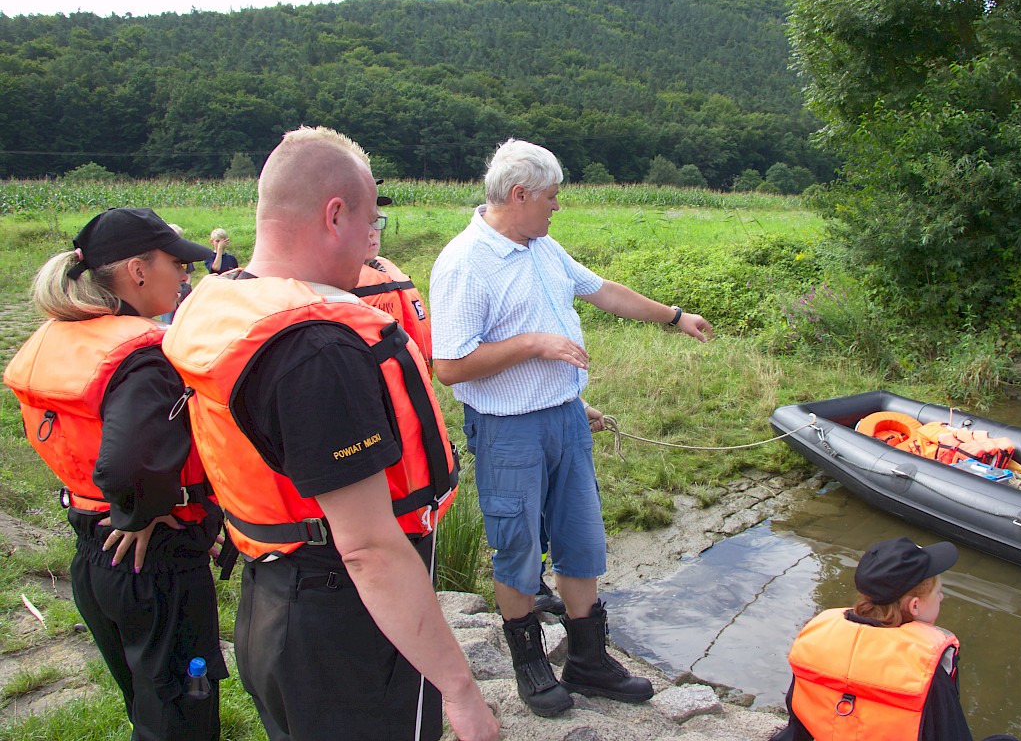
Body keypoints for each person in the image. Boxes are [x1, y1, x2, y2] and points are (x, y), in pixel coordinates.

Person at [162, 126, 498, 741]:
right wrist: (461, 691)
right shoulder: (317, 351)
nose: (373, 243)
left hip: (269, 598)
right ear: (335, 214)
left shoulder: (222, 304)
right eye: (371, 222)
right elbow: (368, 549)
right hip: (343, 623)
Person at [429, 138, 712, 717]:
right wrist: (534, 344)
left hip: (564, 418)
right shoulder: (464, 262)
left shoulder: (543, 247)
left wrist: (675, 317)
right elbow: (450, 366)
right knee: (517, 548)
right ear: (519, 194)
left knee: (581, 540)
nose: (558, 206)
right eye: (552, 197)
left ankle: (588, 660)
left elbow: (601, 291)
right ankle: (531, 666)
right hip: (508, 430)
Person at [3, 207, 225, 741]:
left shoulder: (60, 336)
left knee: (149, 709)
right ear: (137, 271)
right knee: (180, 718)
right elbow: (127, 465)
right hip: (152, 563)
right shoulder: (141, 356)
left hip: (92, 551)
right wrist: (140, 512)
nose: (185, 275)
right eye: (177, 263)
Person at [772, 537, 1018, 741]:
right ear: (915, 606)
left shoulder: (818, 640)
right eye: (938, 592)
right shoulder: (925, 669)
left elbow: (799, 722)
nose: (942, 597)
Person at [350, 194, 433, 374]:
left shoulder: (387, 271)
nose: (372, 232)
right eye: (361, 222)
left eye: (375, 221)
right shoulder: (327, 289)